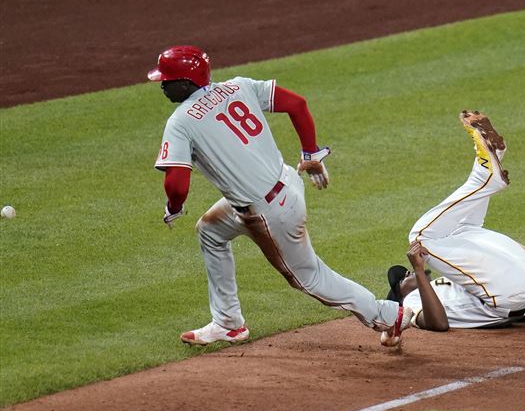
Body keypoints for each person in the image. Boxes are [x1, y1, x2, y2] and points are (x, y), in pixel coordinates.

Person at [147, 45, 409, 346]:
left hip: (267, 213)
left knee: (309, 278)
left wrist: (174, 206)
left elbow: (177, 184)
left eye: (167, 80)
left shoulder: (180, 122)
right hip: (285, 182)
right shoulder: (239, 85)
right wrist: (310, 153)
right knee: (210, 231)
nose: (163, 85)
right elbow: (297, 104)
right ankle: (228, 323)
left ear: (186, 82)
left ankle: (388, 314)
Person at [381, 110, 525, 338]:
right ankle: (484, 178)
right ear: (399, 296)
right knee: (420, 239)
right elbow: (438, 324)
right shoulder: (411, 304)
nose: (406, 271)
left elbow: (515, 316)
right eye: (401, 279)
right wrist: (418, 271)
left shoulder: (446, 279)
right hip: (512, 296)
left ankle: (489, 162)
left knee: (464, 229)